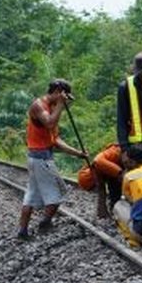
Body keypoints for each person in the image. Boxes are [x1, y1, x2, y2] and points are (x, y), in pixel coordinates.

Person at [18, 79, 89, 241]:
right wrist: (60, 106)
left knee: (31, 196)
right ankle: (45, 223)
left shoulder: (51, 108)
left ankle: (22, 231)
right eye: (65, 97)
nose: (66, 102)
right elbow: (49, 123)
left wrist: (78, 153)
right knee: (59, 191)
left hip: (40, 157)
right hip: (40, 158)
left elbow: (55, 140)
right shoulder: (39, 105)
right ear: (57, 92)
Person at [78, 142, 125, 212]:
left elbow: (98, 160)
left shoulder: (100, 164)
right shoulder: (101, 173)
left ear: (93, 181)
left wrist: (120, 173)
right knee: (113, 188)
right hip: (118, 164)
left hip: (125, 155)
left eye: (93, 187)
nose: (95, 189)